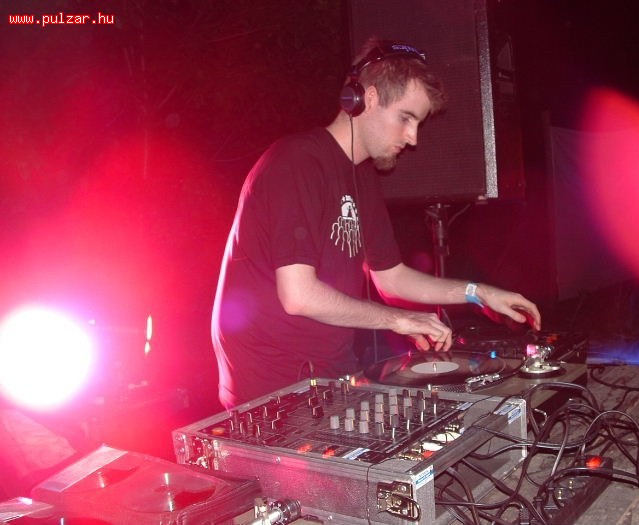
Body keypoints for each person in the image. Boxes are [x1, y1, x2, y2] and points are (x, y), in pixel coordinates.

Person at [211, 38, 541, 409]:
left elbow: (391, 277)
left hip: (329, 372)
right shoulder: (296, 163)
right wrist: (399, 320)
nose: (413, 139)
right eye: (406, 118)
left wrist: (478, 292)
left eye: (418, 123)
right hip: (272, 386)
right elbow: (298, 295)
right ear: (367, 99)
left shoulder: (361, 176)